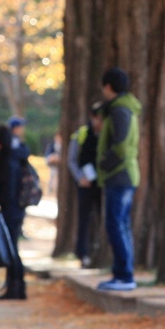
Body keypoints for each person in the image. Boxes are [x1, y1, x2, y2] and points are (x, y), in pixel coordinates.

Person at [93, 68, 142, 293]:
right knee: (120, 225)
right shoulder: (121, 108)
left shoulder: (119, 110)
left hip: (120, 175)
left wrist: (104, 164)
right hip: (122, 174)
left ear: (108, 86)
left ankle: (124, 275)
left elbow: (120, 146)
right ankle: (123, 273)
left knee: (116, 225)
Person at [0, 123, 29, 301]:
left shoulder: (6, 160)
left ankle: (15, 287)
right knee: (12, 249)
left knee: (11, 249)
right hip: (15, 210)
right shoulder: (14, 156)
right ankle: (17, 287)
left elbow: (6, 190)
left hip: (9, 211)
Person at [70, 102, 103, 267]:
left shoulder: (107, 134)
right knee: (84, 219)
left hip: (102, 185)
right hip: (85, 184)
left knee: (102, 218)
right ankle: (83, 253)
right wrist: (80, 178)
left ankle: (99, 252)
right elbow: (71, 160)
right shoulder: (81, 134)